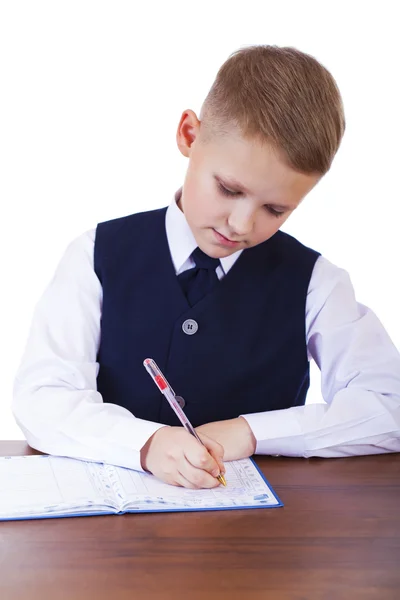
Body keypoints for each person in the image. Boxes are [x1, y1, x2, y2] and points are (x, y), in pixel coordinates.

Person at [12, 45, 400, 490]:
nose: (241, 225)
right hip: (111, 534)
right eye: (229, 189)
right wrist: (145, 443)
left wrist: (250, 432)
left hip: (263, 538)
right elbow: (42, 399)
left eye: (274, 209)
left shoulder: (317, 283)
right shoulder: (95, 254)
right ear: (189, 135)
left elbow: (389, 405)